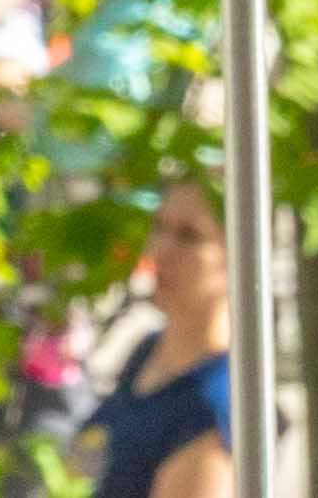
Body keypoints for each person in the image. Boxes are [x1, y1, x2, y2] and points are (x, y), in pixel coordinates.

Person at [92, 189, 237, 498]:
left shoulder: (217, 398)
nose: (159, 251)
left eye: (189, 236)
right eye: (159, 227)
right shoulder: (149, 348)